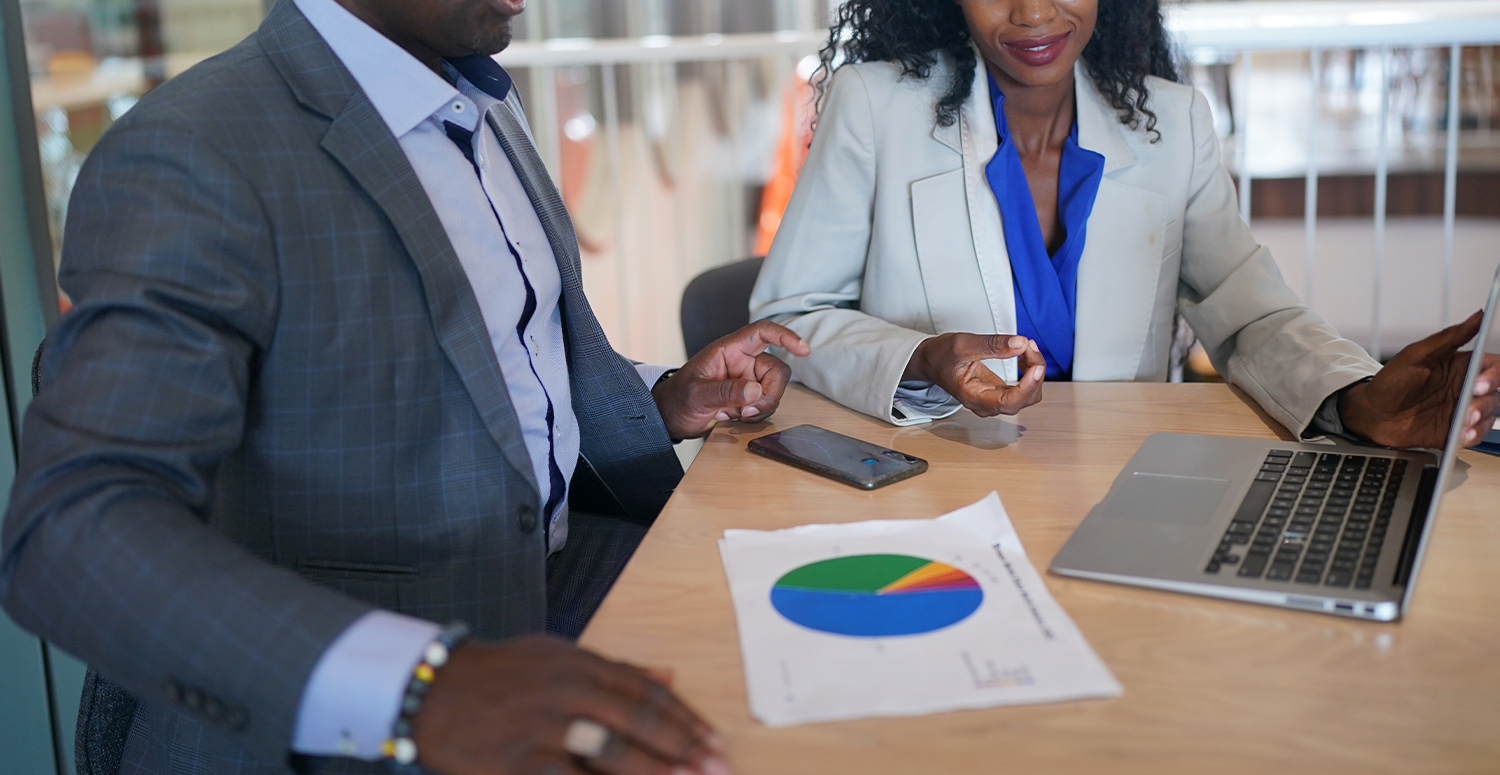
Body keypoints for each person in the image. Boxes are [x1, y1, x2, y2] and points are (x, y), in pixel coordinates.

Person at [0, 0, 807, 773]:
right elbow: (68, 530)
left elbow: (498, 367)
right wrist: (422, 689)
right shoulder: (196, 150)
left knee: (806, 658)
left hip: (545, 570)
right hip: (367, 686)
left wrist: (664, 396)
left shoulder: (479, 101)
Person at [750, 0, 1499, 448]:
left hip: (1118, 479)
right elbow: (790, 317)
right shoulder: (874, 107)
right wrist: (919, 358)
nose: (1033, 14)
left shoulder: (1174, 123)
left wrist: (1352, 398)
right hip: (934, 477)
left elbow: (1252, 317)